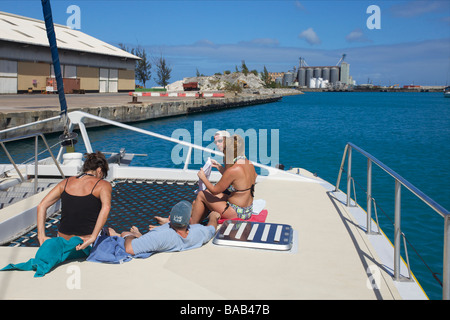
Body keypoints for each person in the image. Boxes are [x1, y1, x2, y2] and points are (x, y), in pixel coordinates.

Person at [37, 151, 112, 251]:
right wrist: (93, 237)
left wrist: (41, 236)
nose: (102, 178)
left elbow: (42, 205)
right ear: (99, 170)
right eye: (102, 175)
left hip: (63, 241)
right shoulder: (103, 185)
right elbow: (106, 208)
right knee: (110, 231)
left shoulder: (66, 182)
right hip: (85, 243)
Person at [108, 200, 220, 256]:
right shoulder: (198, 232)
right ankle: (141, 235)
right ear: (189, 221)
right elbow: (211, 228)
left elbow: (129, 248)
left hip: (160, 240)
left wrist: (127, 235)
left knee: (123, 233)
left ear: (170, 217)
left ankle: (135, 236)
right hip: (171, 238)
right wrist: (213, 216)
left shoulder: (161, 236)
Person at [191, 134, 257, 223]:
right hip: (247, 210)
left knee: (202, 194)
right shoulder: (249, 164)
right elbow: (239, 179)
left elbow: (215, 190)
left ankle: (192, 224)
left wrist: (203, 177)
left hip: (236, 213)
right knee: (208, 193)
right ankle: (197, 219)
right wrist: (219, 167)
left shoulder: (233, 170)